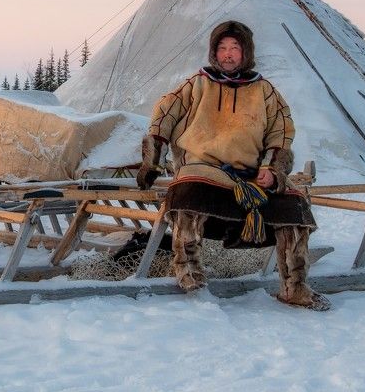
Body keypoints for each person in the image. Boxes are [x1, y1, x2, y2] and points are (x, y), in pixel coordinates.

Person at [136, 20, 330, 311]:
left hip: (251, 173)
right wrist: (152, 160)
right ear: (214, 52)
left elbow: (281, 132)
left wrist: (273, 170)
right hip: (204, 165)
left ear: (246, 53)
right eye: (222, 48)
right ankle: (188, 270)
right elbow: (164, 114)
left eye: (235, 49)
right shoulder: (197, 84)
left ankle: (295, 287)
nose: (228, 54)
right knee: (188, 193)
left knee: (294, 208)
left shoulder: (264, 90)